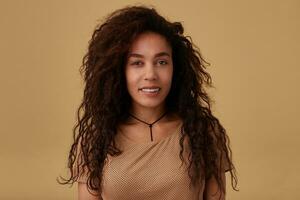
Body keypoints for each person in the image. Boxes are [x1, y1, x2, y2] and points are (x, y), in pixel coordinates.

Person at [57, 5, 238, 200]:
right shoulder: (96, 139)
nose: (150, 75)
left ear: (175, 68)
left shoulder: (203, 132)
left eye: (161, 62)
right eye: (137, 63)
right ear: (119, 70)